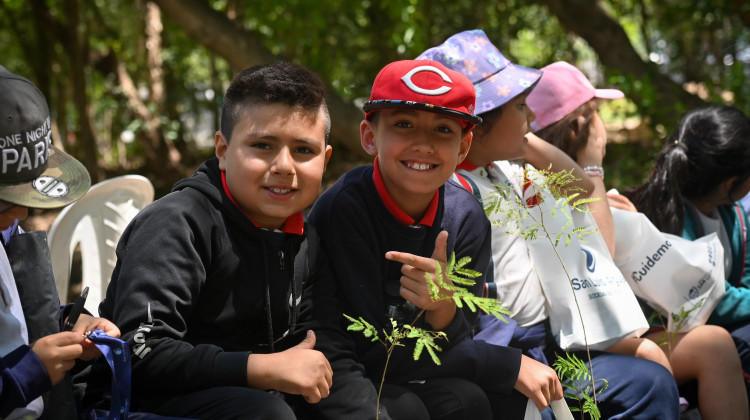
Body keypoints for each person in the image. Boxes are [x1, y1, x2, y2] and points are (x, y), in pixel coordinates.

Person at [86, 62, 381, 420]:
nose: (285, 166)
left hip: (255, 398)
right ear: (222, 150)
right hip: (137, 404)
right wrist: (262, 368)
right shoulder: (177, 222)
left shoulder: (305, 238)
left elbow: (326, 349)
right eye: (262, 145)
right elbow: (140, 350)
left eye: (304, 150)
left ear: (325, 158)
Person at [418, 29, 682, 419]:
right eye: (521, 106)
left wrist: (521, 141)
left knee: (649, 382)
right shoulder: (453, 189)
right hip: (497, 354)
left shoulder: (506, 170)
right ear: (479, 121)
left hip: (548, 344)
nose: (533, 116)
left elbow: (580, 187)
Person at [308, 58, 563, 419]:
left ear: (463, 147)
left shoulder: (467, 217)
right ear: (369, 136)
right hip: (344, 374)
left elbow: (462, 335)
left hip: (421, 368)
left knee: (472, 401)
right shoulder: (343, 211)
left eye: (443, 130)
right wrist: (505, 364)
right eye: (403, 124)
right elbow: (371, 349)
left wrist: (442, 306)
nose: (424, 144)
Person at [527, 61, 749, 419]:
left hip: (604, 334)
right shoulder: (535, 188)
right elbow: (602, 255)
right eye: (596, 113)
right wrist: (592, 166)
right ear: (579, 127)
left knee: (714, 345)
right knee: (698, 349)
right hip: (574, 344)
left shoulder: (577, 184)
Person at [0, 65, 121, 419]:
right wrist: (25, 375)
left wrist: (69, 323)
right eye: (3, 201)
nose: (19, 215)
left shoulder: (6, 233)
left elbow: (14, 320)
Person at [624, 104, 750, 407]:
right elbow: (710, 301)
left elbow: (742, 278)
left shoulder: (731, 216)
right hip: (671, 336)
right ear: (731, 183)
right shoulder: (671, 218)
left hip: (712, 326)